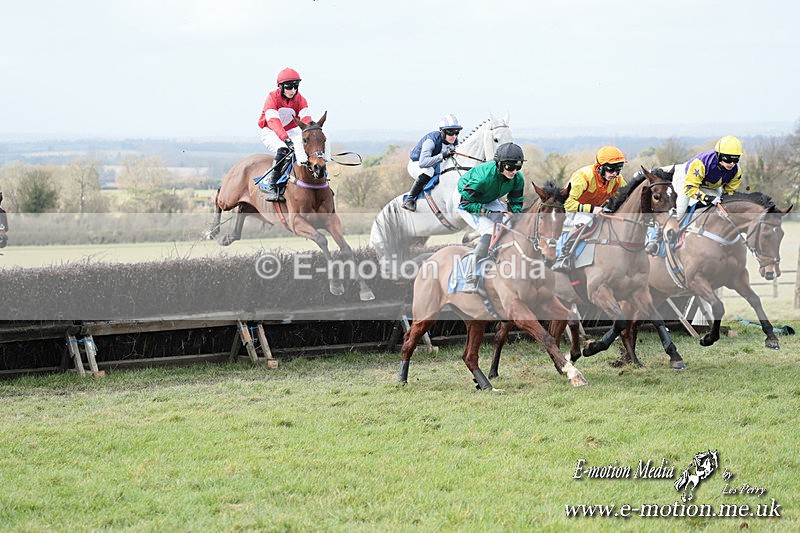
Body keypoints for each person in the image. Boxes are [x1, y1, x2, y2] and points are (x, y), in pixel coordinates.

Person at [454, 142, 525, 293]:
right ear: (499, 164)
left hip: (489, 198)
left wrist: (515, 215)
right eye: (510, 167)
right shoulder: (483, 178)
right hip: (466, 199)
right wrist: (489, 213)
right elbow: (466, 203)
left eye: (518, 167)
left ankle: (477, 237)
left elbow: (515, 201)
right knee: (488, 230)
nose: (514, 171)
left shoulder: (518, 178)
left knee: (508, 225)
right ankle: (470, 276)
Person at [551, 146, 627, 272]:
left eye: (618, 170)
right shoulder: (584, 177)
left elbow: (627, 196)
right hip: (573, 210)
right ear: (600, 167)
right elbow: (567, 203)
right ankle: (564, 256)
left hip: (597, 209)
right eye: (611, 169)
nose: (614, 174)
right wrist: (592, 209)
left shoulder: (617, 179)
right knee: (586, 221)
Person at [257, 67, 313, 202]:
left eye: (295, 86)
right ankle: (272, 185)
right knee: (284, 149)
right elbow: (273, 121)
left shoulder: (300, 99)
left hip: (290, 131)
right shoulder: (272, 97)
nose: (292, 90)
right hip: (270, 130)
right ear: (280, 87)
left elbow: (306, 120)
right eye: (289, 87)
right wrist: (285, 139)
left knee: (308, 147)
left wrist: (311, 134)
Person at [401, 114, 462, 211]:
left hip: (433, 164)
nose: (454, 136)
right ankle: (409, 199)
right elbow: (423, 163)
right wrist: (442, 156)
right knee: (428, 171)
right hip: (416, 164)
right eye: (450, 132)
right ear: (442, 131)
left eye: (456, 132)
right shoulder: (431, 141)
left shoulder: (454, 141)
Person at [677, 135, 744, 220]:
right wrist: (707, 198)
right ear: (719, 155)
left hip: (711, 185)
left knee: (719, 206)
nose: (732, 163)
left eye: (735, 159)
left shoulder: (736, 171)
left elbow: (730, 191)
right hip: (688, 180)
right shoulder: (700, 164)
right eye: (728, 159)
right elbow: (689, 189)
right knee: (680, 211)